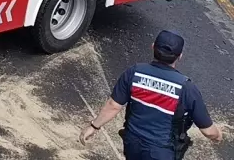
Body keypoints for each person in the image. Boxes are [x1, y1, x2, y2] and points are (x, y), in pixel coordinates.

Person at [80, 30, 222, 159]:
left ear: (153, 46)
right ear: (180, 56)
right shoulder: (185, 88)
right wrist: (218, 136)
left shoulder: (134, 72)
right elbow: (209, 131)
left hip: (132, 144)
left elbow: (113, 105)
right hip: (161, 152)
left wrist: (93, 127)